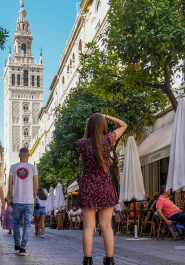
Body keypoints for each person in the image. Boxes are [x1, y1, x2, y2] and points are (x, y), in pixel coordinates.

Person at [77, 113, 127, 265]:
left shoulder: (81, 143)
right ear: (103, 126)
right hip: (104, 185)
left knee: (88, 226)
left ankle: (87, 259)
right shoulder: (108, 140)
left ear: (89, 126)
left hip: (88, 185)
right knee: (106, 226)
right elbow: (124, 125)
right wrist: (108, 116)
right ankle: (110, 259)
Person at [7, 147, 39, 256]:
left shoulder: (13, 167)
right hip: (29, 201)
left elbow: (10, 185)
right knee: (27, 225)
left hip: (17, 201)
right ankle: (23, 248)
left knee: (16, 224)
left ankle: (17, 244)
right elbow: (36, 185)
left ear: (19, 155)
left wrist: (10, 197)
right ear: (29, 155)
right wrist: (34, 197)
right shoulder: (33, 168)